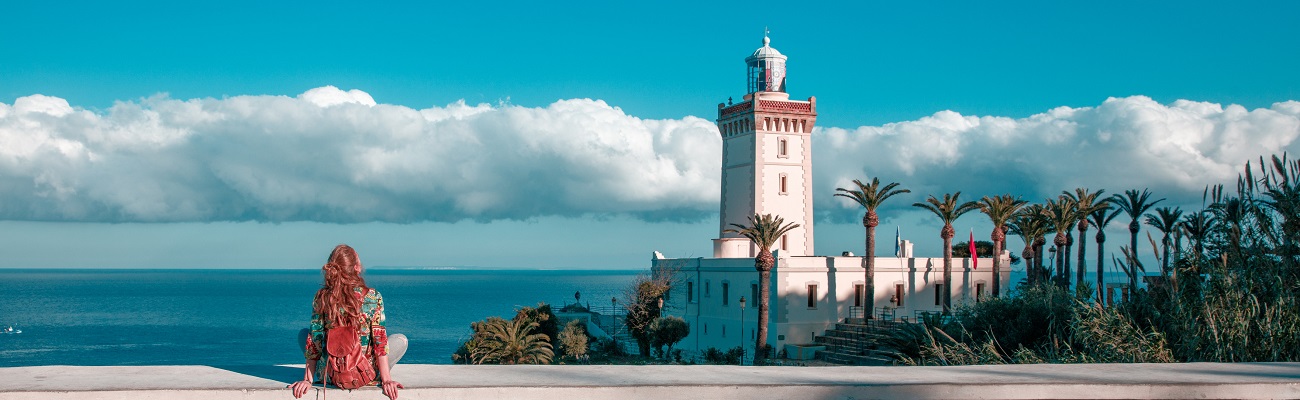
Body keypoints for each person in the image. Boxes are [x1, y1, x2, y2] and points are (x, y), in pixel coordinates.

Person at [290, 244, 407, 400]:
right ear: (356, 268)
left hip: (331, 376)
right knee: (401, 340)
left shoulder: (322, 297)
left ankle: (320, 372)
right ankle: (378, 374)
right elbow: (380, 342)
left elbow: (315, 341)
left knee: (304, 334)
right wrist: (386, 380)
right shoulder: (373, 296)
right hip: (364, 374)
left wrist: (307, 380)